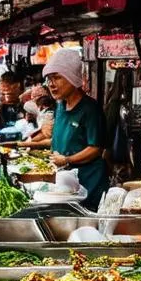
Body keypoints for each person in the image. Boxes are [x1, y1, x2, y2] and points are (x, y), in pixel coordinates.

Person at [43, 48, 108, 209]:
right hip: (66, 182)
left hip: (89, 182)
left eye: (57, 78)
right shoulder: (60, 106)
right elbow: (60, 140)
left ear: (72, 78)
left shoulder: (90, 109)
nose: (51, 84)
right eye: (49, 79)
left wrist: (67, 160)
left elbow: (95, 148)